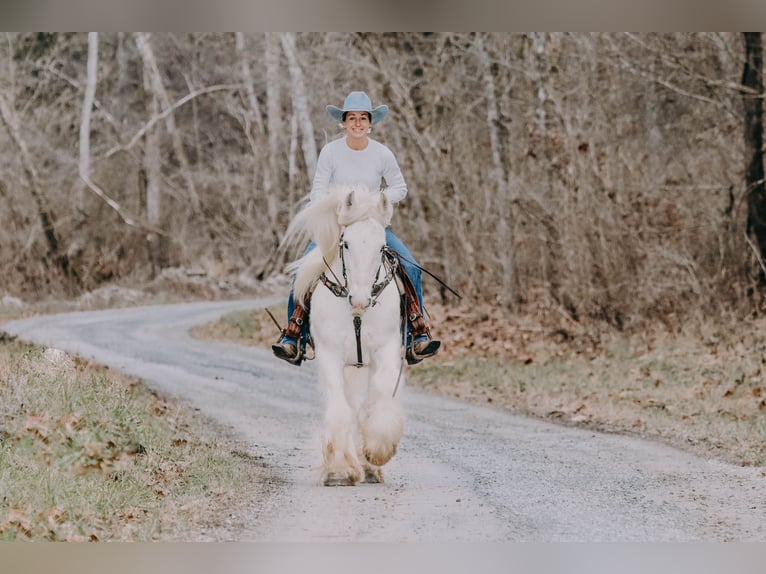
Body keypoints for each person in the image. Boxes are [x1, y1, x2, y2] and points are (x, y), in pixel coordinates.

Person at [272, 91, 440, 366]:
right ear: (343, 122)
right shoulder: (331, 152)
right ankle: (294, 336)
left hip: (373, 225)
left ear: (371, 122)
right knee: (304, 271)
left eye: (363, 118)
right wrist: (333, 207)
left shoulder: (382, 154)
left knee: (411, 266)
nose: (358, 123)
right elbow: (318, 191)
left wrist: (379, 200)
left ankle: (416, 334)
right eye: (352, 118)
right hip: (338, 226)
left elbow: (400, 187)